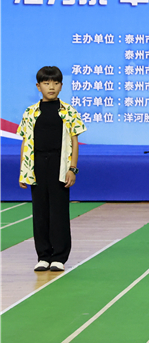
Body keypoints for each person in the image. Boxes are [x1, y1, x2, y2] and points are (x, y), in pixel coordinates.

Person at [18, 66, 86, 272]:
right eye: (46, 83)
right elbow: (25, 142)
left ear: (61, 86)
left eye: (56, 83)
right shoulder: (30, 112)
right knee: (40, 212)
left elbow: (74, 142)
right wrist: (23, 171)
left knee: (59, 211)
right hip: (37, 164)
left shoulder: (68, 111)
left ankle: (59, 257)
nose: (51, 87)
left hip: (60, 163)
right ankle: (43, 256)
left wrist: (72, 169)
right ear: (38, 86)